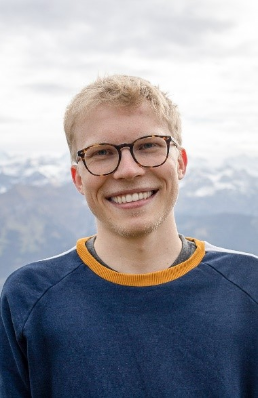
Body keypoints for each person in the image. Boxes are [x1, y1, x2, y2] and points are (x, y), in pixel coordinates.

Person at [0, 75, 258, 398]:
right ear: (78, 179)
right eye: (101, 153)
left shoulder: (249, 289)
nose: (128, 170)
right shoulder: (27, 302)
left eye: (148, 145)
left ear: (180, 162)